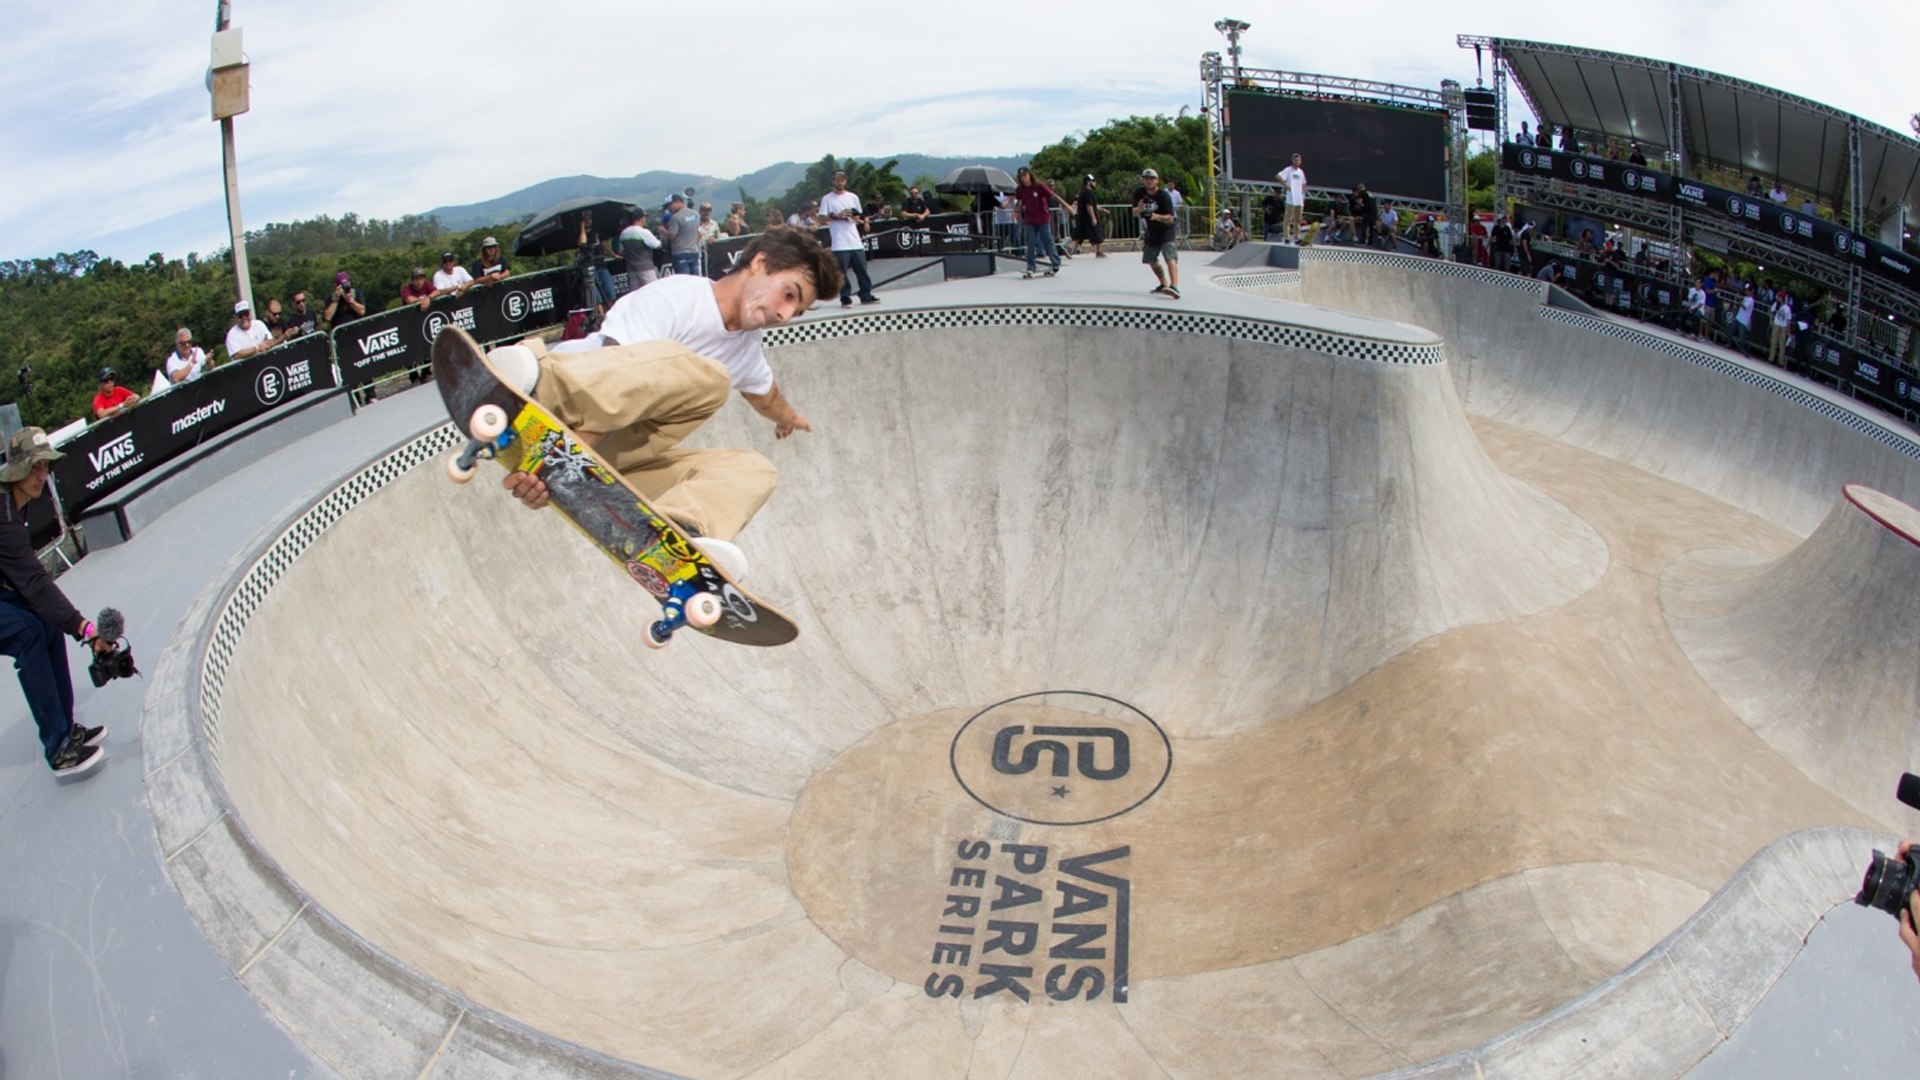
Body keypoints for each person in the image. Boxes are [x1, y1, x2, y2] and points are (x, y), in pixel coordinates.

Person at [485, 226, 843, 578]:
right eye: (789, 295)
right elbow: (617, 373)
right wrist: (558, 463)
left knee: (755, 470)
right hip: (560, 402)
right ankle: (533, 379)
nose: (784, 315)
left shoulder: (746, 351)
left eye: (796, 312)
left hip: (598, 466)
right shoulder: (678, 298)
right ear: (760, 263)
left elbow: (766, 395)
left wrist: (788, 417)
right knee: (711, 380)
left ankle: (678, 533)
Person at [0, 428, 118, 777]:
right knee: (27, 633)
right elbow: (34, 584)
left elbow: (29, 585)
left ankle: (65, 729)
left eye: (46, 467)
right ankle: (58, 748)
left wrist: (72, 626)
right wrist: (85, 628)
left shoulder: (13, 504)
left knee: (47, 624)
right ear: (17, 470)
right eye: (35, 468)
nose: (42, 476)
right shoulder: (4, 518)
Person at [820, 170, 879, 306]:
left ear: (845, 181)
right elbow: (821, 218)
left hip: (855, 240)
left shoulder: (853, 197)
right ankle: (845, 296)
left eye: (842, 180)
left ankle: (866, 294)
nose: (840, 182)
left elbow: (858, 216)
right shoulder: (827, 199)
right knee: (842, 272)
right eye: (837, 180)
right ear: (833, 181)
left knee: (862, 269)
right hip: (840, 242)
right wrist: (837, 216)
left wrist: (854, 217)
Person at [1008, 167, 1067, 279]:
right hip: (1030, 219)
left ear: (1029, 175)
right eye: (1021, 176)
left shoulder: (1039, 186)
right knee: (1030, 243)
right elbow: (1019, 201)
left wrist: (1067, 206)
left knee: (1047, 241)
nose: (1023, 178)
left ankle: (1055, 263)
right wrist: (1015, 211)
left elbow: (1053, 195)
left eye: (1025, 175)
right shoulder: (1020, 189)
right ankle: (1031, 267)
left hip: (1043, 218)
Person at [1134, 168, 1179, 299]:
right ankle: (1163, 283)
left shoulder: (1163, 195)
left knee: (1170, 256)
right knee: (1151, 259)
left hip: (1166, 229)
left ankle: (1174, 286)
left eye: (1151, 179)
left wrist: (1156, 217)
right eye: (1146, 179)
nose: (1148, 181)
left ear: (1157, 181)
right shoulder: (1139, 192)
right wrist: (1140, 208)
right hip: (1152, 231)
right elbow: (1134, 212)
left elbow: (1170, 218)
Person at [619, 208, 662, 291]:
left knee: (636, 294)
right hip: (646, 268)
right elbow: (658, 245)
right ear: (642, 218)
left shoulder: (623, 233)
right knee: (653, 291)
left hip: (631, 268)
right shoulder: (643, 232)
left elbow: (621, 251)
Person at [664, 194, 703, 277]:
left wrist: (662, 231)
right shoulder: (696, 214)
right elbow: (699, 232)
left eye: (670, 205)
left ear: (678, 202)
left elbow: (672, 235)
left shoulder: (675, 217)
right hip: (694, 252)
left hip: (680, 253)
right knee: (695, 279)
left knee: (684, 280)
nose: (669, 208)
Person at [1275, 153, 1307, 243]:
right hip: (1291, 199)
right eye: (1296, 160)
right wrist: (1285, 185)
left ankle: (1297, 236)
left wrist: (1304, 195)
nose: (1297, 162)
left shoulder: (1301, 172)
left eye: (1299, 160)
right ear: (1293, 161)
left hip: (1299, 200)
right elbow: (1278, 176)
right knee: (1288, 220)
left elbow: (1304, 184)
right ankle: (1287, 237)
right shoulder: (1288, 170)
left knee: (1298, 220)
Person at [1072, 175, 1107, 258]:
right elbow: (1089, 206)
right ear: (1088, 182)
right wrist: (1093, 217)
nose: (1095, 183)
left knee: (1080, 234)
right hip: (1088, 217)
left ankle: (1069, 248)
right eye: (1093, 181)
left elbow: (1091, 205)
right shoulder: (1088, 192)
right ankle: (1099, 252)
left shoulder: (1082, 192)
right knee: (1098, 233)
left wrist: (1101, 209)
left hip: (1082, 217)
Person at [1767, 287, 1794, 366]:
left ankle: (1780, 361)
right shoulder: (1776, 304)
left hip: (1783, 327)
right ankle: (1771, 358)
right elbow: (1770, 312)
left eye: (1779, 297)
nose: (1778, 298)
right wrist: (1771, 320)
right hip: (1776, 325)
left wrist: (1788, 330)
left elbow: (1788, 320)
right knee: (1773, 343)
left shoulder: (1787, 308)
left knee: (1782, 345)